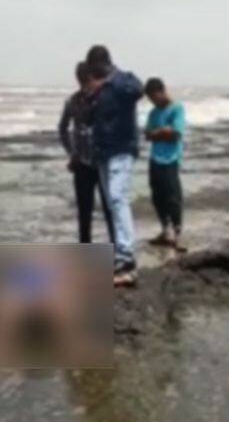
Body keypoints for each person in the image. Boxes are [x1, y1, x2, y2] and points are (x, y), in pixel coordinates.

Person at [85, 45, 144, 287]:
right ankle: (121, 255)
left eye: (94, 68)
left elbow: (138, 90)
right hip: (103, 153)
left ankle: (126, 258)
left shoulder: (123, 80)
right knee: (111, 203)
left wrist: (108, 81)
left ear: (104, 64)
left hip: (121, 149)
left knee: (119, 198)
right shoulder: (99, 90)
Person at [58, 61, 114, 245]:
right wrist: (72, 152)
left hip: (100, 161)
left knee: (106, 209)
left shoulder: (102, 99)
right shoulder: (74, 101)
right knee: (86, 212)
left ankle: (115, 250)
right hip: (84, 163)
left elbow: (63, 130)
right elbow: (62, 129)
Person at [144, 77, 187, 253]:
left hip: (171, 159)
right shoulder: (153, 113)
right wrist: (163, 131)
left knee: (173, 197)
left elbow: (176, 134)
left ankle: (178, 233)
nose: (153, 102)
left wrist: (159, 132)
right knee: (157, 196)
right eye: (150, 99)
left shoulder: (177, 108)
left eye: (154, 97)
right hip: (155, 158)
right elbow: (147, 135)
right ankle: (165, 230)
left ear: (162, 92)